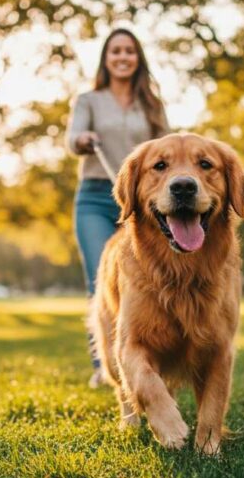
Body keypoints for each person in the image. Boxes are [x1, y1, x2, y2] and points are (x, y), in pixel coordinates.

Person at [66, 28, 170, 386]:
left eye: (129, 51)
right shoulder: (89, 100)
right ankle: (104, 365)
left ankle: (149, 360)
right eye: (115, 51)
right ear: (106, 59)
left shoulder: (152, 105)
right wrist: (82, 139)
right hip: (96, 195)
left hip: (142, 203)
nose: (122, 57)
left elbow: (171, 151)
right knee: (101, 279)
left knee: (148, 279)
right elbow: (71, 138)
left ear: (137, 57)